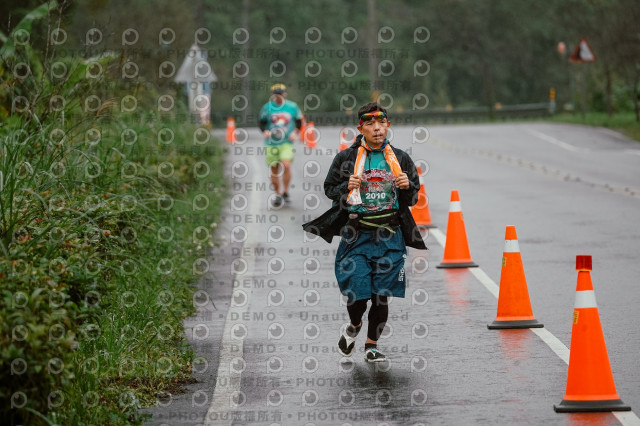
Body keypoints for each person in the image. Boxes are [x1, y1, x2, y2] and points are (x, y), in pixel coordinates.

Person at [302, 102, 427, 362]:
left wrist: (407, 185)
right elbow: (329, 189)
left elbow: (413, 197)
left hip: (390, 236)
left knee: (381, 297)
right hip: (356, 235)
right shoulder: (346, 159)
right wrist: (346, 186)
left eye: (381, 123)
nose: (376, 128)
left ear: (388, 126)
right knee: (358, 295)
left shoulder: (401, 158)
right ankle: (354, 325)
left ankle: (371, 346)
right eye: (370, 124)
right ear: (361, 128)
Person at [258, 83, 303, 207]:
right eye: (276, 94)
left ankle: (286, 191)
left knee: (286, 164)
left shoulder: (292, 106)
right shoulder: (267, 108)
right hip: (271, 143)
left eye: (281, 94)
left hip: (286, 142)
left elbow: (299, 122)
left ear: (284, 94)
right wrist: (265, 131)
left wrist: (295, 132)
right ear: (273, 95)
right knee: (274, 168)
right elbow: (261, 122)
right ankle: (277, 194)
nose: (279, 96)